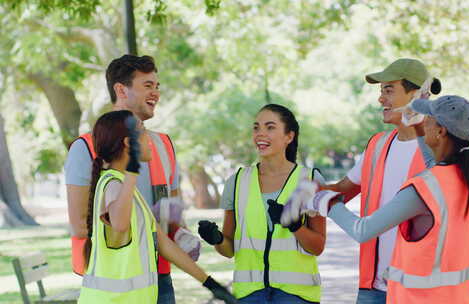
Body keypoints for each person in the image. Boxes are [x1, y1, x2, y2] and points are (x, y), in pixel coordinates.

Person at [284, 95, 469, 304]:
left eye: (428, 118)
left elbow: (362, 230)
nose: (424, 120)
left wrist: (325, 201)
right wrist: (417, 127)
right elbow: (432, 158)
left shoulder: (424, 188)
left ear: (441, 131)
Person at [65, 54, 197, 304]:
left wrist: (182, 233)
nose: (156, 93)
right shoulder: (85, 147)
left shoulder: (163, 145)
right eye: (147, 85)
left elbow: (172, 209)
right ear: (120, 90)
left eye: (157, 86)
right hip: (113, 283)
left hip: (159, 280)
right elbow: (80, 223)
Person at [78, 110, 236, 303]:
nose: (149, 139)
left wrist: (210, 284)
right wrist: (133, 169)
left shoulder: (131, 194)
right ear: (130, 144)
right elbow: (119, 224)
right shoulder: (112, 184)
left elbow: (164, 244)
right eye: (143, 132)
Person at [317, 58, 441, 303]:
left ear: (418, 95)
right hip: (372, 289)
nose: (381, 99)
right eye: (381, 91)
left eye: (389, 90)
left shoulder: (437, 150)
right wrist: (306, 188)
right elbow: (342, 190)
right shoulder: (378, 145)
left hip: (416, 289)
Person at [197, 104, 326, 303]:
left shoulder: (310, 180)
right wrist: (217, 239)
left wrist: (294, 225)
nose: (260, 134)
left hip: (296, 296)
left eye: (270, 127)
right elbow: (229, 250)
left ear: (289, 137)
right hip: (249, 294)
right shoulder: (237, 181)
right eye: (256, 127)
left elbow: (317, 246)